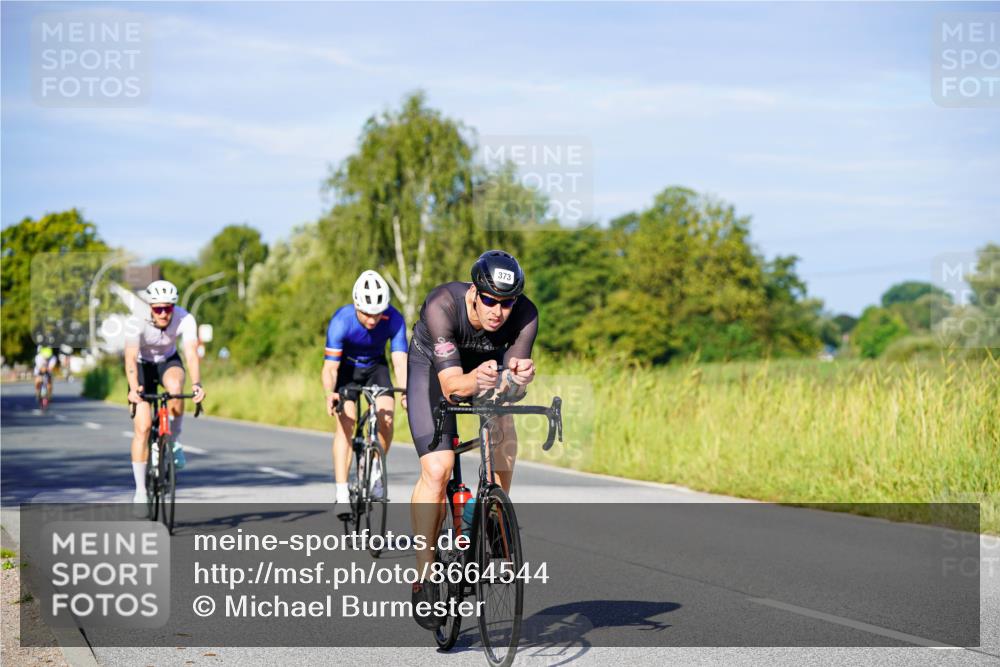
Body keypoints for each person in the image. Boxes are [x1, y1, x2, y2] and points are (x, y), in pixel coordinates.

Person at [406, 250, 538, 629]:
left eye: (507, 303)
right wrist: (477, 379)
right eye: (490, 301)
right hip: (433, 372)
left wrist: (518, 380)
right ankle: (426, 574)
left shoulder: (526, 315)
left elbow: (510, 389)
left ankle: (492, 511)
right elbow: (452, 387)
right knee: (438, 468)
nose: (498, 311)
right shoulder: (443, 305)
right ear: (474, 293)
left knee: (504, 423)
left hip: (484, 373)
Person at [321, 270, 408, 505]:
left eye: (377, 314)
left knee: (386, 418)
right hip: (347, 371)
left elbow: (400, 361)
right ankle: (341, 492)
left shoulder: (394, 319)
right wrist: (330, 393)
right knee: (346, 425)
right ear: (356, 306)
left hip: (376, 368)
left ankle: (374, 470)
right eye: (367, 313)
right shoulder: (342, 321)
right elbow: (330, 368)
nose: (372, 320)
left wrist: (406, 392)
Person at [124, 280, 205, 515]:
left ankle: (174, 440)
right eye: (158, 308)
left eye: (167, 308)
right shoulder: (136, 320)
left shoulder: (184, 318)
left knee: (176, 387)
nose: (163, 313)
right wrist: (134, 388)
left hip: (168, 361)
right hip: (141, 366)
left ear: (173, 307)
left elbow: (191, 354)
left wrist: (197, 384)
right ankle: (141, 491)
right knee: (143, 427)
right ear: (150, 307)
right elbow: (130, 359)